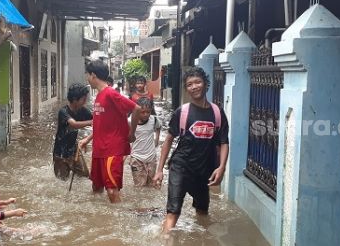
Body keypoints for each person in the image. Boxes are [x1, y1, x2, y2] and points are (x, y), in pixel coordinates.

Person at [153, 67, 229, 233]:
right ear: (186, 89)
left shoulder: (218, 113)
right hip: (180, 166)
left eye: (197, 82)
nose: (194, 87)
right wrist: (159, 170)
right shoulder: (182, 112)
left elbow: (224, 142)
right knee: (173, 211)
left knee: (202, 212)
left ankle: (203, 245)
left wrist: (221, 167)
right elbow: (168, 140)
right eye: (189, 84)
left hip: (204, 171)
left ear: (205, 84)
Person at [79, 59, 142, 203]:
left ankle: (117, 221)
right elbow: (101, 123)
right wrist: (87, 139)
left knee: (112, 190)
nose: (87, 79)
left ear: (93, 75)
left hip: (111, 150)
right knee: (96, 187)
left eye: (87, 75)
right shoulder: (98, 96)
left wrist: (131, 133)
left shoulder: (110, 93)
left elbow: (136, 108)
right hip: (99, 149)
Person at [53, 83, 92, 180]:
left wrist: (87, 139)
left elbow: (97, 121)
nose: (85, 101)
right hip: (60, 153)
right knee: (62, 181)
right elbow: (73, 124)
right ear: (75, 99)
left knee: (85, 175)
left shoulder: (83, 111)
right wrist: (91, 122)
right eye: (83, 99)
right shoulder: (63, 111)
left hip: (74, 150)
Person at [129, 97, 161, 187]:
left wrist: (157, 139)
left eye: (148, 112)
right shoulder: (130, 121)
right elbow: (125, 136)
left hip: (151, 158)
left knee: (151, 184)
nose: (146, 114)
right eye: (142, 112)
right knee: (139, 186)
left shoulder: (153, 120)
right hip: (136, 158)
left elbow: (158, 127)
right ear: (136, 111)